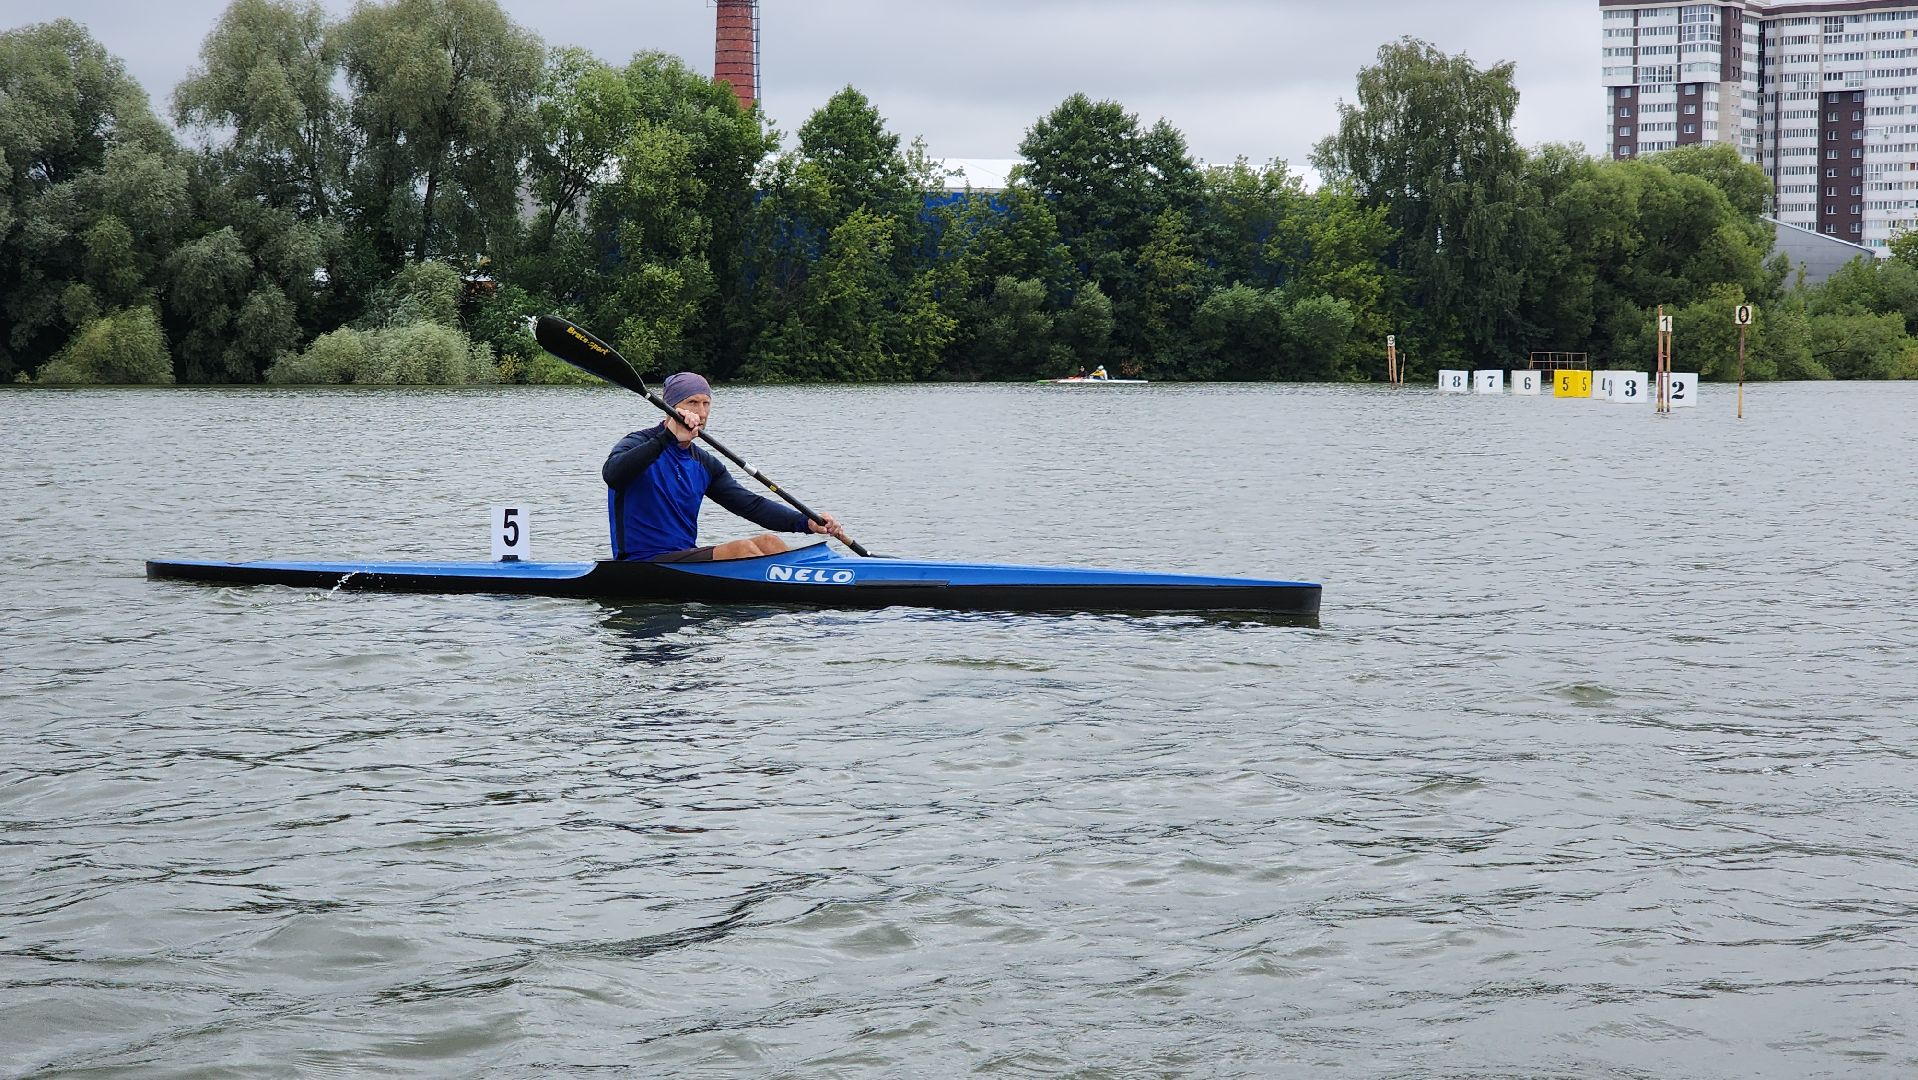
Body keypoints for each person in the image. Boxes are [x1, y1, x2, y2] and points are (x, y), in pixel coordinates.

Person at [603, 372, 846, 561]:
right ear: (672, 407)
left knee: (770, 543)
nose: (701, 412)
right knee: (742, 550)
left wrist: (805, 523)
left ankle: (799, 603)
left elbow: (751, 506)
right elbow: (612, 475)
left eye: (706, 403)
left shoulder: (704, 463)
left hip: (683, 557)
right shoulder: (638, 443)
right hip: (641, 562)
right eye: (692, 402)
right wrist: (667, 438)